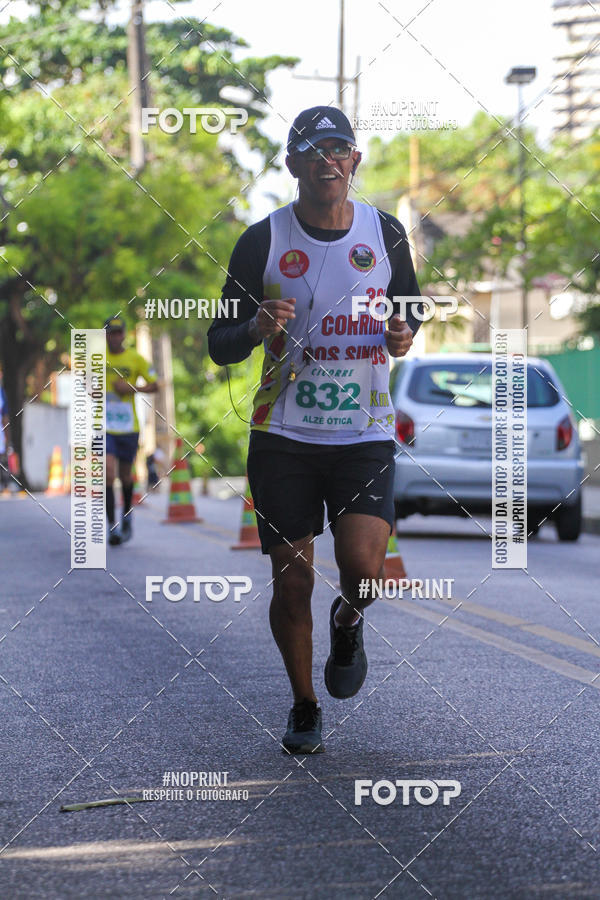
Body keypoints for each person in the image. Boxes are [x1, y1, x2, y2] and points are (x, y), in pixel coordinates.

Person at [208, 106, 423, 754]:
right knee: (293, 578)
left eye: (339, 148)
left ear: (354, 161)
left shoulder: (384, 233)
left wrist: (403, 333)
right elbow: (219, 343)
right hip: (284, 438)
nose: (327, 159)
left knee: (363, 569)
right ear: (292, 163)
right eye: (312, 148)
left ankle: (349, 617)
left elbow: (410, 308)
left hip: (363, 432)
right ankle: (304, 705)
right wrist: (252, 329)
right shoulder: (261, 241)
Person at [104, 317, 158, 544]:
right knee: (108, 473)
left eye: (119, 333)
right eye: (111, 333)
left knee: (126, 476)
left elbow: (155, 384)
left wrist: (132, 387)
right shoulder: (96, 358)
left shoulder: (136, 359)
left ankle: (126, 517)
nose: (115, 337)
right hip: (104, 426)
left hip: (128, 427)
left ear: (124, 334)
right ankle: (112, 527)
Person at [0, 373, 12, 492]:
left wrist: (7, 437)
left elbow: (5, 416)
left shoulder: (1, 393)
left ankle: (5, 486)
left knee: (3, 459)